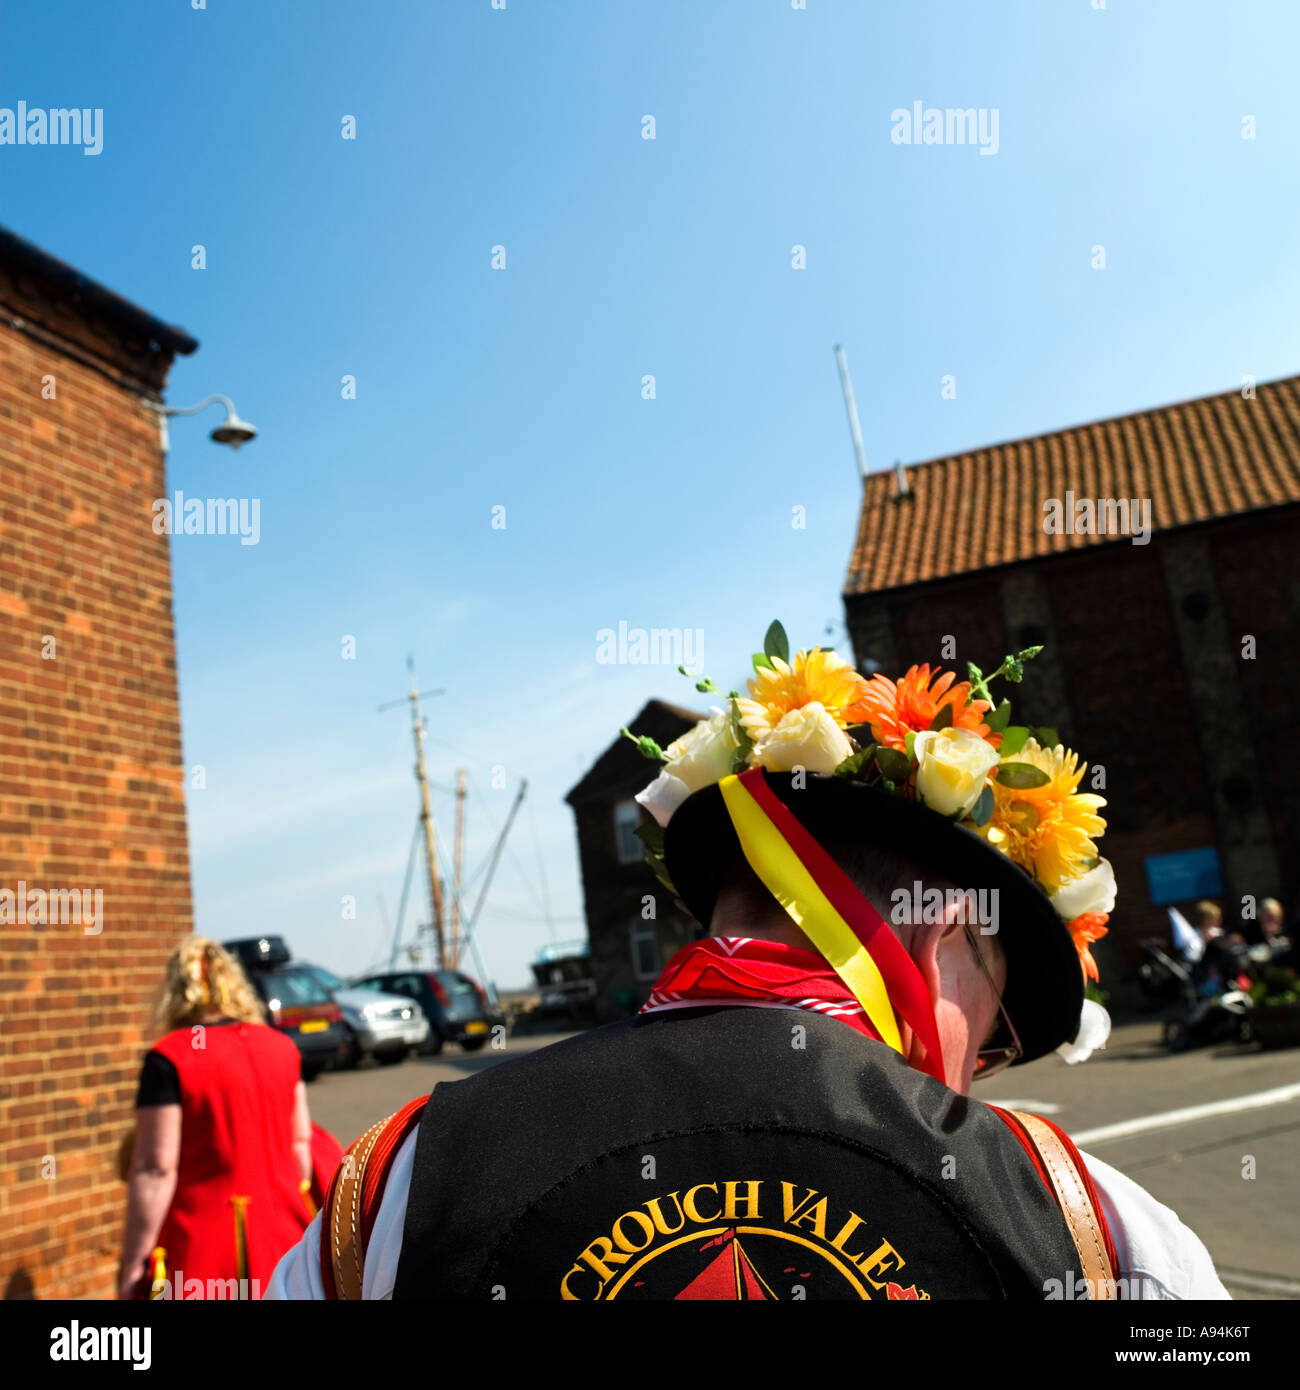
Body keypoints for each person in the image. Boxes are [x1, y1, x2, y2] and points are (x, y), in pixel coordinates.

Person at [267, 632, 1226, 1300]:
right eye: (1000, 1025)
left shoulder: (401, 1182)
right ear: (944, 939)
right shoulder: (1096, 1233)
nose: (981, 1064)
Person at [119, 936, 315, 1299]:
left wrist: (134, 1262)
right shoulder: (282, 1047)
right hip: (287, 1239)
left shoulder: (169, 1057)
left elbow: (155, 1168)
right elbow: (301, 1147)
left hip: (205, 1255)